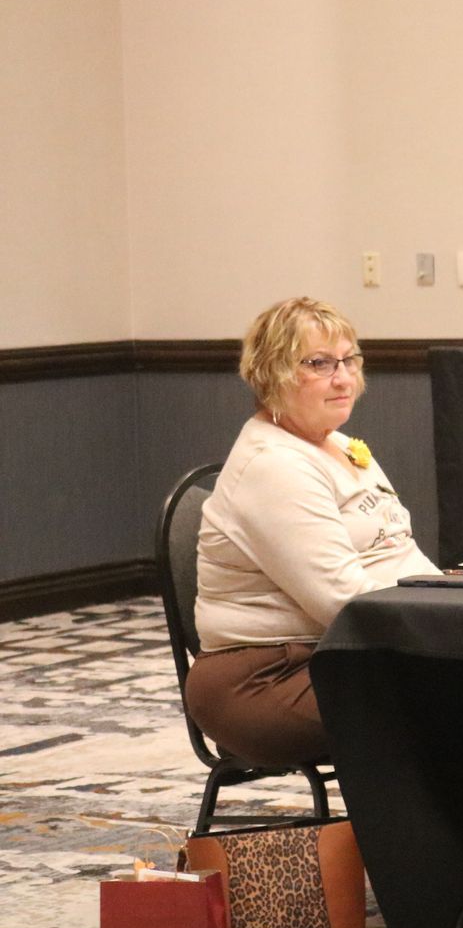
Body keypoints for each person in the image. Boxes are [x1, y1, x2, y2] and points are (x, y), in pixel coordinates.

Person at [186, 296, 438, 764]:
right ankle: (405, 837)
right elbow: (342, 602)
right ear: (272, 374)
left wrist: (457, 604)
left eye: (348, 360)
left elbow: (398, 549)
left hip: (341, 654)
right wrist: (445, 627)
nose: (343, 377)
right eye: (319, 363)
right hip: (265, 679)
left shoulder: (339, 445)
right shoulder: (274, 466)